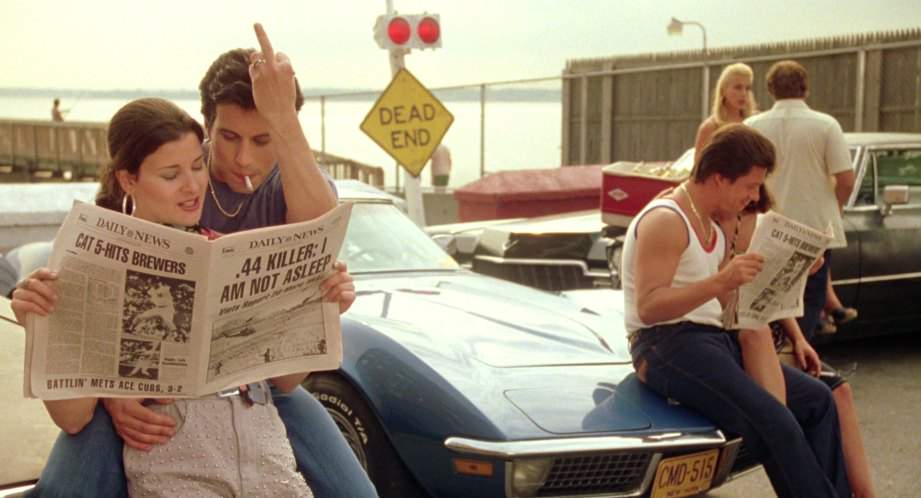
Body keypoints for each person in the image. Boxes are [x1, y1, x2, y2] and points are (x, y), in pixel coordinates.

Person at [24, 24, 378, 498]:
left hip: (253, 390)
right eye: (229, 137)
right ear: (207, 127)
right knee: (72, 480)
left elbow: (319, 235)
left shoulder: (293, 176)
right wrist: (111, 393)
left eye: (263, 139)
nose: (243, 158)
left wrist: (325, 301)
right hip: (153, 399)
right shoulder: (172, 169)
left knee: (354, 491)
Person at [623, 123, 851, 497]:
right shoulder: (666, 220)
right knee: (774, 422)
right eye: (749, 186)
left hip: (713, 340)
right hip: (665, 344)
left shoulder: (712, 227)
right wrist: (719, 281)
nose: (755, 196)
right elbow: (648, 307)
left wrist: (791, 272)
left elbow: (734, 305)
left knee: (818, 400)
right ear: (719, 178)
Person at [722, 187, 877, 498]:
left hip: (774, 337)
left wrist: (799, 338)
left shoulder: (762, 223)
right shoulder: (720, 231)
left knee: (840, 390)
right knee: (818, 400)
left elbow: (772, 296)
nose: (750, 217)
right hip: (748, 341)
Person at [745, 60, 856, 341]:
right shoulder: (826, 125)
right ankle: (801, 356)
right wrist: (835, 210)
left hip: (766, 227)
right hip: (814, 229)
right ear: (805, 88)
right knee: (808, 303)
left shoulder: (751, 126)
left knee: (766, 300)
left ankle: (775, 357)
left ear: (770, 90)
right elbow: (846, 180)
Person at [694, 63, 757, 162]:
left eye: (747, 88)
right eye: (738, 87)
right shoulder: (710, 127)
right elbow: (698, 167)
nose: (744, 93)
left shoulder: (755, 122)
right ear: (723, 90)